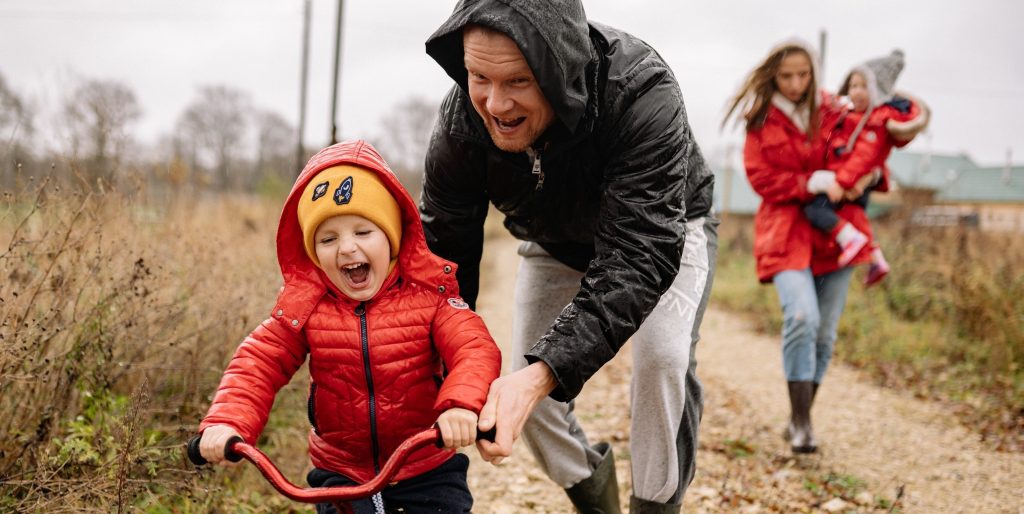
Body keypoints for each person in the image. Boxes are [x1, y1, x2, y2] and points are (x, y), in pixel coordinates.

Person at [421, 1, 717, 512]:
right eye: (478, 77)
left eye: (518, 81)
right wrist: (437, 370)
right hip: (553, 240)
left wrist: (545, 374)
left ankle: (656, 504)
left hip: (664, 228)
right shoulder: (460, 127)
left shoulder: (642, 90)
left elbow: (637, 256)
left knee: (662, 358)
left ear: (558, 67)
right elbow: (444, 265)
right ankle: (593, 497)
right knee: (523, 392)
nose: (494, 103)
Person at [196, 140, 502, 514]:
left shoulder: (429, 297)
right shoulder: (305, 308)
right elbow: (257, 363)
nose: (346, 249)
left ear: (391, 236)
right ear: (313, 252)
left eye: (363, 232)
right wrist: (227, 422)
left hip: (426, 462)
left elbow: (474, 348)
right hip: (340, 471)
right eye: (328, 238)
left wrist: (459, 407)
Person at [724, 41, 926, 454]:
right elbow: (761, 179)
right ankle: (800, 423)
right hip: (785, 231)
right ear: (772, 76)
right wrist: (811, 183)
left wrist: (873, 174)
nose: (796, 83)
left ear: (813, 72)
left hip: (838, 231)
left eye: (803, 74)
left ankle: (802, 418)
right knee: (801, 316)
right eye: (786, 76)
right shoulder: (759, 119)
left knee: (825, 333)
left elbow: (876, 133)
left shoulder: (834, 107)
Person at [810, 49, 929, 286]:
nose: (856, 92)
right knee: (853, 215)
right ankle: (875, 257)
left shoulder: (874, 121)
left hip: (850, 182)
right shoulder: (849, 115)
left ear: (877, 91)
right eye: (853, 85)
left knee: (814, 210)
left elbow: (863, 158)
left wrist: (842, 183)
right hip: (849, 179)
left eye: (864, 86)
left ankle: (851, 240)